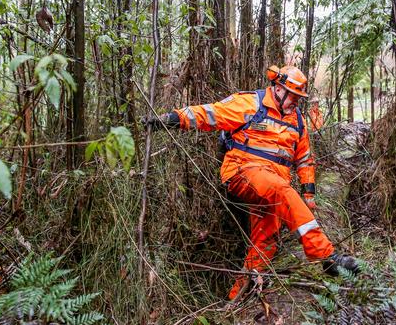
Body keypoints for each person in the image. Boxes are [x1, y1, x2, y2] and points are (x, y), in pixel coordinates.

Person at [142, 65, 359, 300]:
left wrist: (308, 193)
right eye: (293, 96)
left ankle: (236, 299)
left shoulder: (297, 120)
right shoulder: (250, 104)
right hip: (243, 173)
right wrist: (171, 119)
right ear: (278, 89)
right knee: (281, 190)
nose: (296, 102)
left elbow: (305, 158)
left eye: (299, 98)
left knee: (266, 242)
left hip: (274, 188)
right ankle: (326, 256)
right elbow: (209, 114)